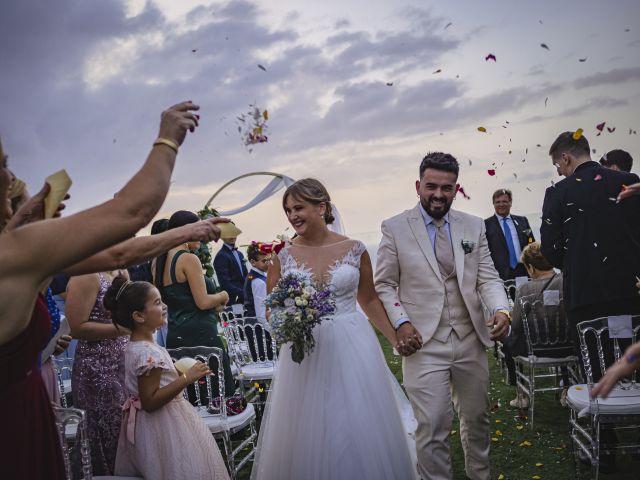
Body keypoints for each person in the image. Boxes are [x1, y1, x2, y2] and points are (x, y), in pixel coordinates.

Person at [0, 101, 200, 480]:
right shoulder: (12, 256)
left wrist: (20, 223)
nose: (10, 176)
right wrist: (168, 138)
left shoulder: (11, 252)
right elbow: (130, 215)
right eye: (1, 163)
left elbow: (121, 251)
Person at [251, 178, 417, 480]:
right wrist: (288, 325)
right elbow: (271, 308)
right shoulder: (282, 257)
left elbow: (367, 299)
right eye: (288, 210)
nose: (292, 216)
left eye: (298, 208)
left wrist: (394, 338)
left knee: (356, 419)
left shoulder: (354, 249)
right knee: (308, 425)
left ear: (322, 207)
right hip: (304, 352)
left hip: (352, 343)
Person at [375, 152, 510, 480]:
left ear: (456, 189)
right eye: (431, 186)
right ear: (418, 185)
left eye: (446, 188)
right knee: (433, 424)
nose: (438, 194)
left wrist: (502, 309)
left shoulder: (473, 226)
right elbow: (384, 285)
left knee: (477, 418)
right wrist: (402, 324)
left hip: (469, 339)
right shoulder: (394, 228)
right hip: (423, 344)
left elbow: (487, 277)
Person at [101, 277, 230, 479]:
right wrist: (186, 377)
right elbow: (150, 401)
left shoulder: (139, 347)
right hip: (163, 426)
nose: (165, 306)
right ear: (139, 316)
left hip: (148, 425)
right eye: (157, 302)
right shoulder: (147, 354)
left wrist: (176, 372)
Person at [541, 131, 640, 380]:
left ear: (565, 158)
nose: (559, 172)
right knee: (630, 366)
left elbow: (550, 251)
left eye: (557, 165)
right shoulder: (628, 180)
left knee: (595, 366)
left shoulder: (558, 192)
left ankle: (601, 417)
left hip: (584, 294)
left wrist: (576, 261)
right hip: (626, 290)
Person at [154, 210, 235, 398]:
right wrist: (222, 295)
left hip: (176, 335)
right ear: (186, 231)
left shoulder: (160, 262)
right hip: (201, 336)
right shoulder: (188, 258)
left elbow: (182, 301)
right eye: (198, 231)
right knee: (217, 394)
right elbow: (203, 301)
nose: (202, 238)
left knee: (192, 397)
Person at [503, 242, 566, 408]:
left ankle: (521, 395)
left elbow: (516, 325)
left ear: (530, 267)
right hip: (569, 347)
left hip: (536, 349)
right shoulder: (567, 281)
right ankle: (566, 388)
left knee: (509, 342)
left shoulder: (524, 289)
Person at [484, 188, 535, 282]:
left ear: (510, 203)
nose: (501, 204)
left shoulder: (523, 221)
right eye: (498, 202)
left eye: (504, 201)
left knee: (524, 296)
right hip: (499, 275)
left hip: (523, 271)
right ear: (493, 204)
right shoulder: (485, 225)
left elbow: (531, 242)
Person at [243, 243, 274, 361]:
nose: (268, 262)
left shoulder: (257, 276)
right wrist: (274, 332)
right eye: (264, 260)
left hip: (255, 327)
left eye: (269, 259)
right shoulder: (258, 282)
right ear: (253, 262)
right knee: (266, 361)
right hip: (258, 330)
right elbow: (261, 315)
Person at [213, 225, 248, 305]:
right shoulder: (221, 256)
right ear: (222, 237)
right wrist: (242, 293)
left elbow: (245, 275)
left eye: (234, 233)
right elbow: (224, 282)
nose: (232, 237)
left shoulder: (240, 254)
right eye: (228, 234)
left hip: (245, 298)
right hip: (232, 299)